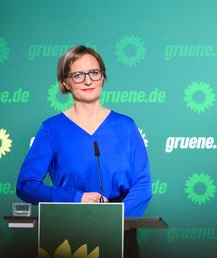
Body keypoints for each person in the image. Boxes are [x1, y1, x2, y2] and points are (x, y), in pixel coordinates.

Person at [17, 45, 151, 218]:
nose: (88, 81)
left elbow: (143, 185)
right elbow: (26, 186)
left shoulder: (126, 126)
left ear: (103, 77)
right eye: (78, 75)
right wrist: (76, 198)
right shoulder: (51, 129)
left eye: (94, 72)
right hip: (69, 224)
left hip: (121, 227)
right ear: (65, 82)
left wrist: (116, 218)